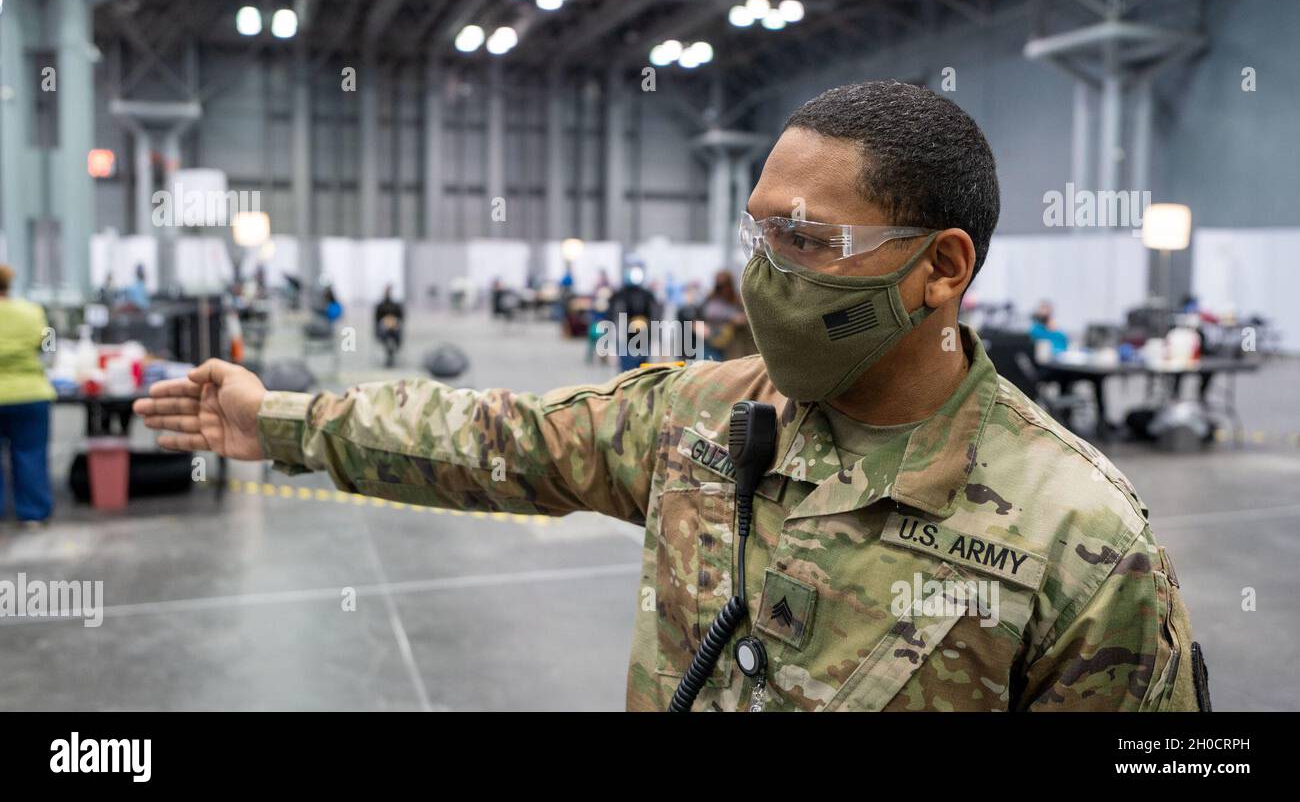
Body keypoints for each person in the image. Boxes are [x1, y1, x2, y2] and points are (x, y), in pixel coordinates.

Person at [135, 81, 1206, 712]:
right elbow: (495, 438)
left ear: (940, 267)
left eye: (809, 239)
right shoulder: (701, 414)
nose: (767, 270)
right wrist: (276, 419)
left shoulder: (1080, 538)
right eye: (760, 232)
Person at [0, 264, 55, 527]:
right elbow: (49, 347)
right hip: (30, 394)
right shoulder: (31, 312)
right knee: (31, 454)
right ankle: (32, 514)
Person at [606, 264, 660, 371]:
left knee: (642, 371)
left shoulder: (647, 295)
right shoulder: (620, 295)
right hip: (625, 339)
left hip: (643, 338)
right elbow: (613, 318)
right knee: (626, 372)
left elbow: (655, 315)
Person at [700, 271, 754, 361]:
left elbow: (746, 317)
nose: (723, 289)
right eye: (720, 286)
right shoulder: (710, 299)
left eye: (725, 285)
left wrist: (740, 319)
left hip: (733, 345)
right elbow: (699, 317)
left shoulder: (737, 300)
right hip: (712, 342)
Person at [374, 285, 404, 368]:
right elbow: (376, 320)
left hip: (395, 329)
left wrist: (393, 321)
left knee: (394, 331)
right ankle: (389, 352)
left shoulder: (396, 305)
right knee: (386, 334)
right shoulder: (380, 305)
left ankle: (392, 350)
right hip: (384, 330)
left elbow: (401, 318)